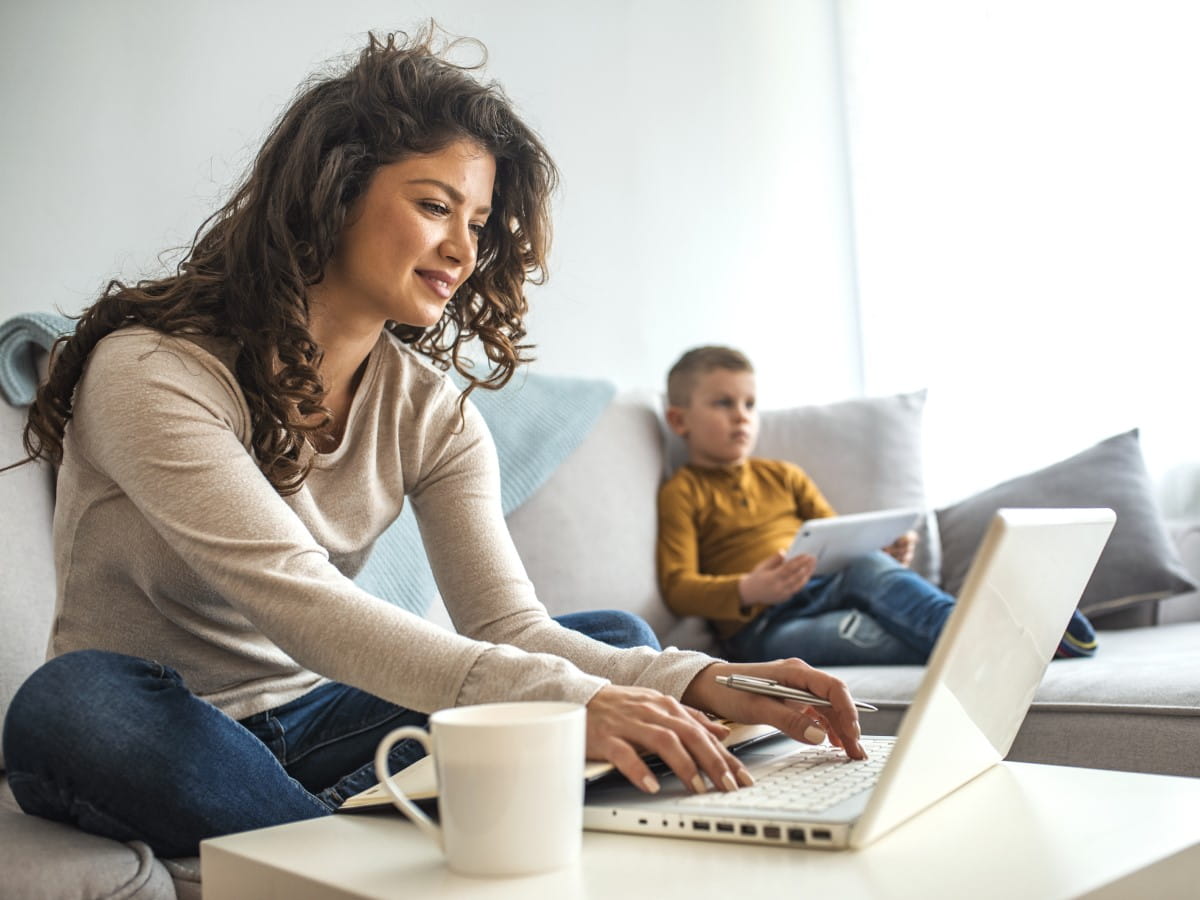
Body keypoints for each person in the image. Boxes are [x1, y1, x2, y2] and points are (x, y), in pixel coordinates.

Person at [0, 29, 865, 859]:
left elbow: (508, 625)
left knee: (613, 637)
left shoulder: (431, 412)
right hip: (159, 720)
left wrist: (699, 678)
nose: (462, 248)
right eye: (434, 206)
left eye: (478, 222)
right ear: (333, 193)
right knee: (72, 705)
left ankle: (336, 835)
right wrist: (572, 702)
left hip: (317, 722)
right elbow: (299, 601)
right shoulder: (152, 371)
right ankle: (356, 845)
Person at [656, 345, 1099, 666]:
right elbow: (677, 586)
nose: (741, 415)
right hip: (764, 629)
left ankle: (1003, 635)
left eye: (750, 404)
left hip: (830, 585)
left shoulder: (782, 475)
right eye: (723, 403)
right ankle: (1019, 640)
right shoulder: (683, 491)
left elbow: (838, 540)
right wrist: (748, 590)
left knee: (869, 564)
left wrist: (879, 549)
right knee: (869, 634)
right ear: (679, 420)